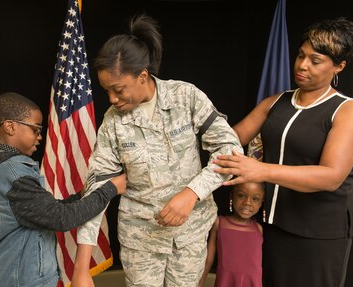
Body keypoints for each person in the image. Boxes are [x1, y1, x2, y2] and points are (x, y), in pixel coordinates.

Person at [71, 14, 243, 287]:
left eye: (118, 90)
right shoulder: (112, 123)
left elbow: (231, 150)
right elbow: (97, 190)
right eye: (107, 91)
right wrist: (81, 267)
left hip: (189, 236)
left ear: (142, 76)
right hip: (141, 240)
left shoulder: (185, 97)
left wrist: (191, 193)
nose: (112, 99)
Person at [213, 18, 353, 287]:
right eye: (300, 55)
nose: (302, 65)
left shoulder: (347, 110)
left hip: (320, 232)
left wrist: (260, 170)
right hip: (274, 224)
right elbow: (232, 138)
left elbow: (331, 176)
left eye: (315, 61)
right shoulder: (277, 101)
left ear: (339, 66)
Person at [0, 92, 126, 287]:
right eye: (35, 130)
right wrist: (111, 188)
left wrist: (78, 196)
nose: (39, 137)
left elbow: (37, 212)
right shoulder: (14, 174)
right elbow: (61, 218)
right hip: (20, 279)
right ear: (10, 126)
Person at [199, 181, 265, 287]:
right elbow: (209, 258)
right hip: (226, 281)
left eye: (255, 199)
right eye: (241, 196)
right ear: (232, 196)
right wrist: (200, 282)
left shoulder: (259, 229)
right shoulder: (219, 223)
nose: (247, 202)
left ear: (262, 202)